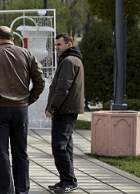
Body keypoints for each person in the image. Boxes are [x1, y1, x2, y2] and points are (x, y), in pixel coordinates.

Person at [0, 26, 45, 194]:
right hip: (20, 109)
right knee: (21, 152)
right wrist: (29, 99)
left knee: (1, 153)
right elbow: (40, 80)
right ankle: (22, 190)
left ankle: (6, 191)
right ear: (12, 38)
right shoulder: (26, 54)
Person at [45, 33, 85, 193]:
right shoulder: (73, 60)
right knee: (66, 146)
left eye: (59, 45)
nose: (56, 48)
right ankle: (65, 180)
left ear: (69, 44)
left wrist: (51, 107)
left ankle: (69, 180)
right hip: (67, 109)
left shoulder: (69, 61)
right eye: (55, 45)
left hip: (65, 109)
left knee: (59, 147)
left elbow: (63, 88)